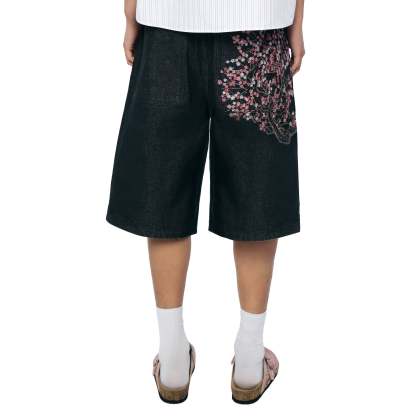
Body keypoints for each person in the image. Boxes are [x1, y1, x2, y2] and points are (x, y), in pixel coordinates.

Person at [106, 0, 305, 405]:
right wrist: (296, 23)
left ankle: (173, 358)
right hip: (259, 25)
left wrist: (131, 14)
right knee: (257, 192)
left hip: (166, 26)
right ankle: (249, 360)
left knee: (165, 190)